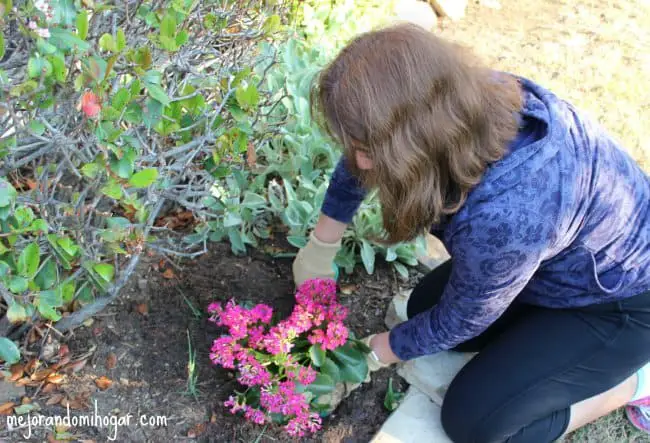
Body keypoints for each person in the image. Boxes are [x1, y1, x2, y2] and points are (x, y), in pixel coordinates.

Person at [291, 23, 650, 442]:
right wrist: (321, 245)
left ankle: (635, 383)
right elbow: (363, 153)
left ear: (411, 146)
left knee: (475, 421)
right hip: (550, 265)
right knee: (420, 312)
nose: (361, 163)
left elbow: (463, 317)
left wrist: (369, 355)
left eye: (369, 151)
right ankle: (546, 340)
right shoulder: (456, 102)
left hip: (621, 302)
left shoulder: (503, 214)